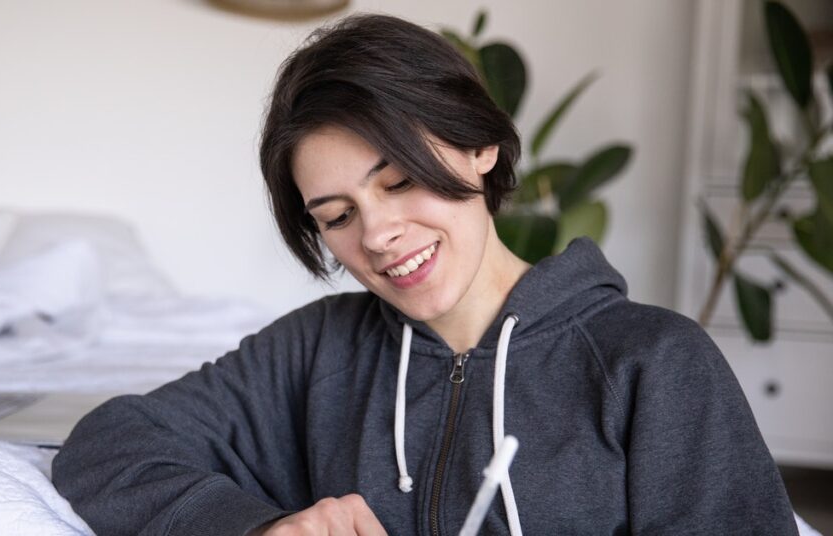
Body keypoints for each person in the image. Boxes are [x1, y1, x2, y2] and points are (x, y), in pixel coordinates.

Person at [52, 14, 797, 535]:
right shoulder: (315, 354)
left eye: (400, 179)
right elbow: (107, 444)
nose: (377, 234)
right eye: (337, 216)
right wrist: (258, 526)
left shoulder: (654, 363)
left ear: (481, 148)